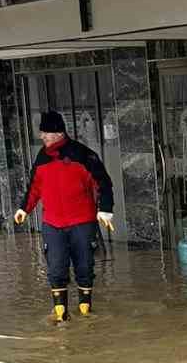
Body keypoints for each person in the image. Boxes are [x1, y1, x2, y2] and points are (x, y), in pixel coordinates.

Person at [14, 110, 115, 321]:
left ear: (58, 133)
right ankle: (61, 316)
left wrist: (105, 210)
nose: (42, 137)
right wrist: (24, 208)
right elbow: (34, 188)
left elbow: (103, 183)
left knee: (84, 266)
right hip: (53, 224)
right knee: (56, 268)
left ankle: (86, 311)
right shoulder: (42, 158)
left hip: (82, 222)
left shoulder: (83, 155)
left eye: (45, 133)